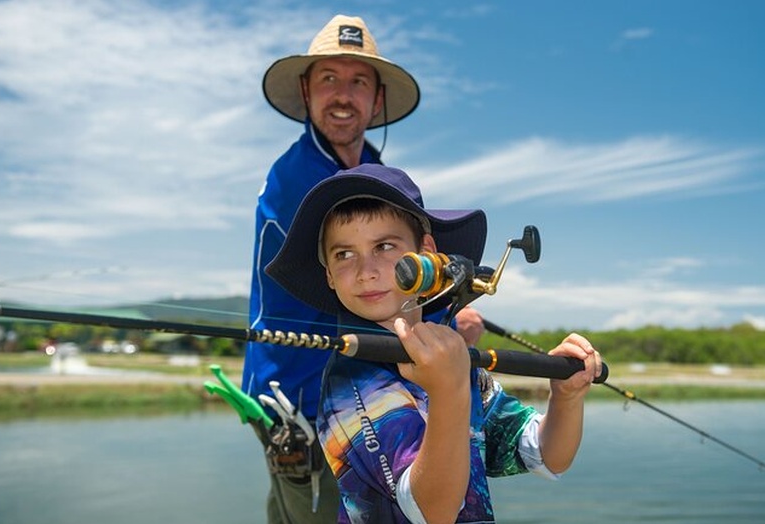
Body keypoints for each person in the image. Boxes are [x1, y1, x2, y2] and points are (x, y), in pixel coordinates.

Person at [242, 14, 483, 523]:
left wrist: (443, 314)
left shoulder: (366, 170)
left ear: (378, 101)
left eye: (358, 81)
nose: (342, 94)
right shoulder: (301, 177)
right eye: (328, 78)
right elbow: (357, 288)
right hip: (300, 393)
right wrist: (436, 325)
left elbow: (396, 268)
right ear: (306, 91)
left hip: (363, 378)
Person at [265, 163, 604, 523]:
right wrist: (449, 390)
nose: (366, 270)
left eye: (384, 245)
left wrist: (566, 399)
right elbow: (432, 511)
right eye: (344, 254)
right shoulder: (352, 382)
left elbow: (545, 453)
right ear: (329, 275)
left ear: (426, 251)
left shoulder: (452, 358)